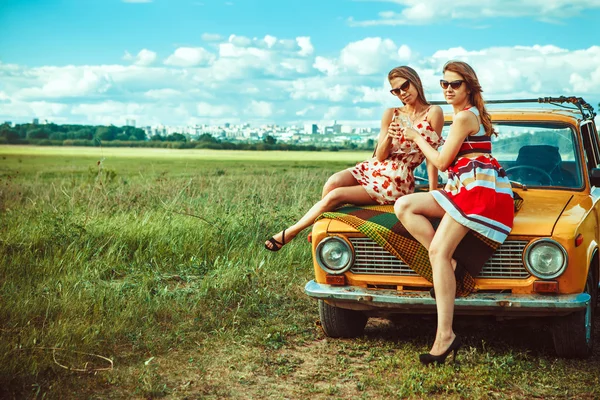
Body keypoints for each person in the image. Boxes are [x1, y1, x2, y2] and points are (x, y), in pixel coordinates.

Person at [394, 60, 514, 365]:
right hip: (463, 189)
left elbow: (444, 162)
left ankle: (444, 335)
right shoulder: (467, 116)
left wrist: (416, 136)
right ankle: (451, 263)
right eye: (443, 84)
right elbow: (450, 156)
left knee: (437, 253)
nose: (447, 90)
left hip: (476, 192)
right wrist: (420, 135)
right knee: (404, 205)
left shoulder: (463, 119)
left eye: (454, 84)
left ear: (469, 86)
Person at [264, 66, 444, 251]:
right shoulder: (391, 113)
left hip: (396, 178)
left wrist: (432, 193)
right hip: (374, 167)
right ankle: (323, 228)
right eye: (396, 91)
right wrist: (389, 136)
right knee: (333, 182)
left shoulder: (433, 112)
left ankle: (291, 232)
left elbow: (432, 155)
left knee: (336, 195)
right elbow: (380, 156)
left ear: (415, 81)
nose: (402, 93)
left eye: (405, 86)